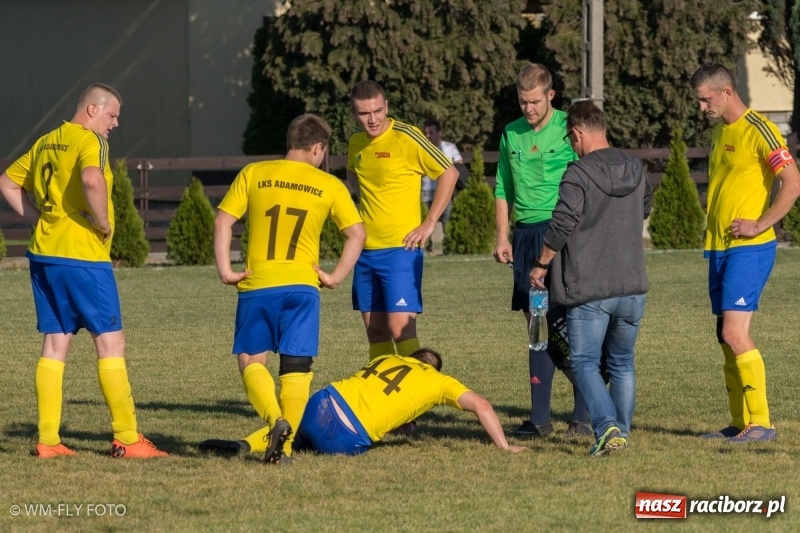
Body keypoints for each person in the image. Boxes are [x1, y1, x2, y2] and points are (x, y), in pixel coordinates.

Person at [0, 84, 167, 458]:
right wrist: (103, 221)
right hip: (82, 257)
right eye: (113, 115)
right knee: (110, 342)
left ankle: (48, 441)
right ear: (93, 109)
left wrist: (40, 219)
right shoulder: (91, 140)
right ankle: (127, 438)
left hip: (44, 254)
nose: (115, 123)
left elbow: (7, 182)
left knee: (55, 343)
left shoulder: (46, 140)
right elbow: (92, 179)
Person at [211, 113, 365, 464]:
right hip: (303, 285)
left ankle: (274, 419)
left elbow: (223, 221)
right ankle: (286, 448)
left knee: (251, 360)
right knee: (297, 366)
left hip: (259, 282)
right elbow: (357, 234)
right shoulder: (329, 184)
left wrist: (225, 269)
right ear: (318, 148)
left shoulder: (254, 173)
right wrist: (335, 276)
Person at [529, 100, 651, 457]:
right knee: (622, 362)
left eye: (570, 138)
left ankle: (606, 426)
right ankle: (620, 432)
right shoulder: (635, 166)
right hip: (633, 286)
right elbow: (644, 207)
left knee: (584, 362)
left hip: (590, 288)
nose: (571, 145)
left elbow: (562, 223)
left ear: (578, 132)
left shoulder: (578, 173)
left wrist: (541, 264)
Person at [689, 63, 800, 443]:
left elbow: (792, 182)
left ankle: (762, 423)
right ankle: (739, 422)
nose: (702, 107)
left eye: (706, 99)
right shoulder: (721, 130)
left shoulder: (760, 129)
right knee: (724, 336)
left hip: (749, 249)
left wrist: (759, 223)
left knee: (735, 333)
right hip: (720, 248)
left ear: (726, 92)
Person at [493, 63, 591, 438]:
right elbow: (503, 187)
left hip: (564, 234)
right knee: (538, 325)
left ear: (550, 95)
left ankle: (584, 415)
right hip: (527, 238)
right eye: (523, 101)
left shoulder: (570, 127)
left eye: (534, 101)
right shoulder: (511, 133)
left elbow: (590, 178)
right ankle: (539, 419)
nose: (528, 108)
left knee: (571, 323)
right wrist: (503, 237)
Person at [347, 81, 459, 360]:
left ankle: (420, 387)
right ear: (354, 113)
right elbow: (352, 172)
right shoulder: (356, 142)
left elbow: (450, 173)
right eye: (364, 113)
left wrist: (429, 222)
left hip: (401, 250)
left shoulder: (407, 136)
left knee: (401, 331)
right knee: (376, 333)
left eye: (377, 110)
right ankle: (383, 389)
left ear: (386, 106)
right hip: (365, 251)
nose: (372, 119)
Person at [293, 348, 525, 455]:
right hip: (345, 436)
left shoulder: (388, 357)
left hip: (319, 404)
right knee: (327, 442)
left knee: (297, 440)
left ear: (411, 358)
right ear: (434, 369)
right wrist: (505, 447)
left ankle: (291, 438)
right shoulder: (439, 381)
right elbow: (482, 405)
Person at [421, 118, 464, 250]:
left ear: (439, 132)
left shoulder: (449, 147)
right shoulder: (423, 148)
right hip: (426, 190)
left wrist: (444, 170)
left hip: (444, 191)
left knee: (446, 219)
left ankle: (448, 245)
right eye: (426, 133)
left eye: (431, 133)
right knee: (424, 220)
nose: (428, 136)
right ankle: (426, 246)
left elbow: (459, 164)